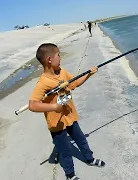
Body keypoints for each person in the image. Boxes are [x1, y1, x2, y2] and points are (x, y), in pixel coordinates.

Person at [29, 43, 105, 180]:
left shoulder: (62, 72)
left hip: (70, 116)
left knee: (81, 139)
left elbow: (74, 83)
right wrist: (54, 107)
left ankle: (90, 159)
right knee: (65, 151)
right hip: (56, 124)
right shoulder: (43, 82)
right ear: (49, 60)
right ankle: (70, 175)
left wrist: (89, 74)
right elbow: (33, 105)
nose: (61, 57)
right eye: (58, 55)